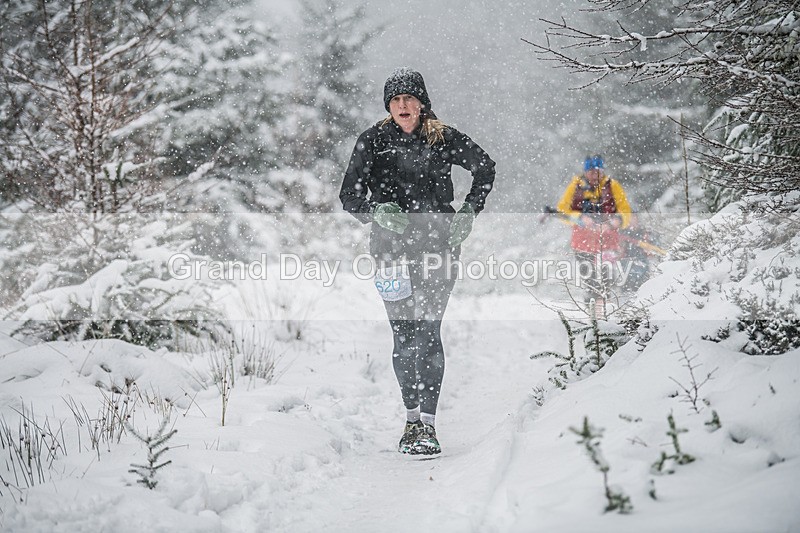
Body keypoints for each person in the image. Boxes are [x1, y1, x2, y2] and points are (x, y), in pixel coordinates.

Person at [339, 68, 495, 455]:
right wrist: (376, 210)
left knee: (428, 334)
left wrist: (468, 212)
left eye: (409, 98)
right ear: (388, 107)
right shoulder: (372, 142)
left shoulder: (443, 138)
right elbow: (348, 196)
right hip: (390, 252)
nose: (403, 105)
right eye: (395, 100)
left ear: (422, 103)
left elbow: (485, 167)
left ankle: (427, 424)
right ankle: (410, 420)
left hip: (438, 247)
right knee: (403, 337)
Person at [555, 155, 631, 317]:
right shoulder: (576, 186)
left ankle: (607, 315)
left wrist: (613, 223)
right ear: (585, 172)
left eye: (597, 172)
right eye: (591, 172)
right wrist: (581, 218)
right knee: (590, 281)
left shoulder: (613, 186)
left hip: (608, 241)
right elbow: (562, 210)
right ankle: (593, 318)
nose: (594, 175)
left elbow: (625, 211)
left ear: (602, 171)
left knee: (606, 280)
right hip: (583, 242)